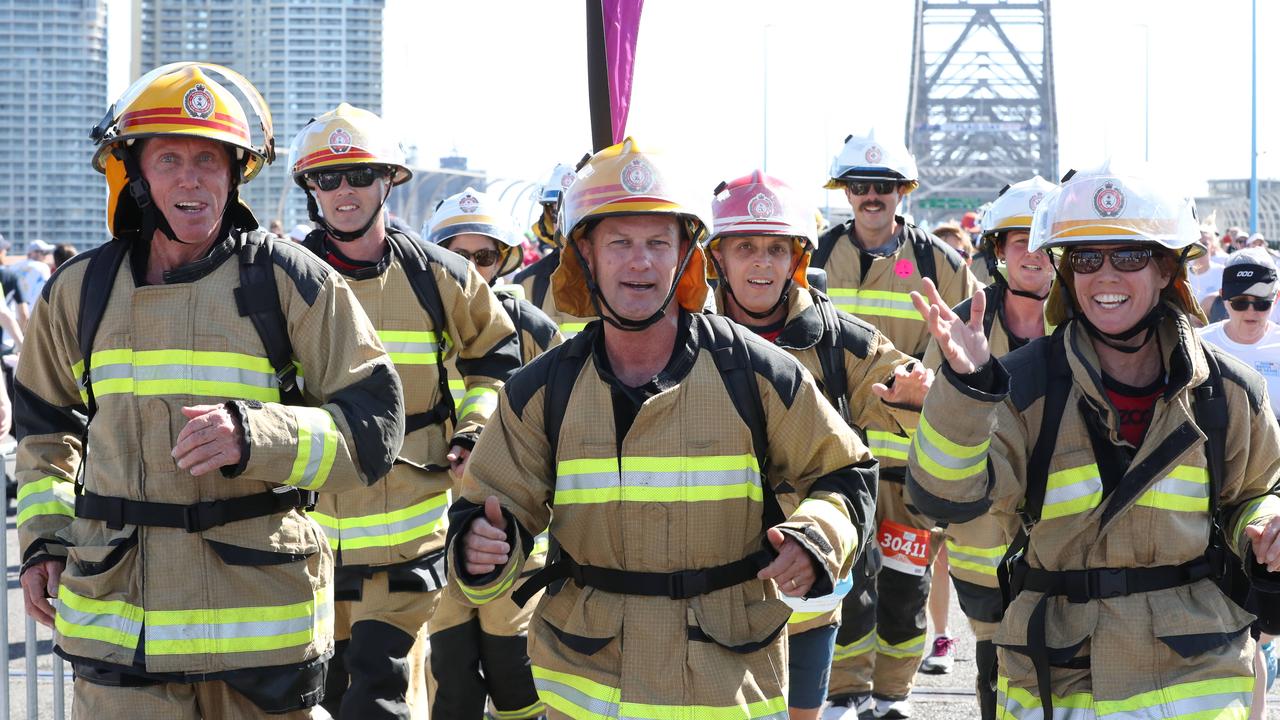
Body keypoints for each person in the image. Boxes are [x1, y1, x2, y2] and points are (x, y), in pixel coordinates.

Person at [15, 62, 404, 718]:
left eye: (209, 160)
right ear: (135, 174)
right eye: (169, 158)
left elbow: (375, 425)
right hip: (120, 632)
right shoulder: (79, 291)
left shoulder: (291, 283)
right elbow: (45, 430)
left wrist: (258, 436)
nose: (191, 178)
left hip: (261, 636)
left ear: (235, 173)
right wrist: (45, 541)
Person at [446, 138, 877, 719]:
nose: (640, 261)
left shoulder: (756, 372)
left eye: (657, 242)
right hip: (589, 691)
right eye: (619, 243)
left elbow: (846, 474)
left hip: (729, 690)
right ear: (586, 259)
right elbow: (492, 507)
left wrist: (815, 538)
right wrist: (481, 548)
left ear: (686, 257)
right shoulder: (541, 390)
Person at [909, 164, 1280, 718]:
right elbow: (943, 497)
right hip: (1055, 678)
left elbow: (1258, 488)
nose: (1104, 276)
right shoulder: (1022, 387)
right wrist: (965, 392)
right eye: (1086, 258)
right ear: (1067, 274)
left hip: (1192, 678)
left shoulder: (1228, 392)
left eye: (1128, 256)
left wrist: (1264, 522)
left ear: (1166, 271)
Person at [288, 103, 520, 720]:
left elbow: (497, 358)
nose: (344, 191)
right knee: (326, 703)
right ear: (310, 188)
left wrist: (474, 431)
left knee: (381, 701)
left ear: (389, 180)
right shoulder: (279, 279)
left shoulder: (439, 276)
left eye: (360, 175)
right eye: (327, 178)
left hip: (408, 541)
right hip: (310, 545)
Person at [706, 170, 930, 720]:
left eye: (777, 249)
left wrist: (924, 396)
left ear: (796, 259)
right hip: (711, 587)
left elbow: (904, 389)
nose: (762, 263)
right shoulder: (683, 336)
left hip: (807, 589)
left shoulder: (841, 340)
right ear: (718, 259)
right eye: (746, 248)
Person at [813, 130, 983, 719]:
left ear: (902, 191)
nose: (871, 196)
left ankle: (892, 697)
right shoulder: (812, 257)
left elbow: (962, 353)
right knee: (845, 589)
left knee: (906, 588)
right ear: (846, 191)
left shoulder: (943, 264)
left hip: (911, 466)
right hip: (835, 462)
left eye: (883, 186)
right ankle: (844, 693)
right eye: (860, 185)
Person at [918, 175, 1056, 717]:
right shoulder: (959, 326)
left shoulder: (1093, 323)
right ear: (997, 251)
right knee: (995, 663)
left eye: (1046, 242)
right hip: (983, 538)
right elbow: (938, 423)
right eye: (1019, 241)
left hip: (1065, 529)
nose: (1034, 255)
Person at [423, 187, 562, 720]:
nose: (474, 270)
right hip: (436, 528)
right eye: (459, 256)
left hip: (512, 534)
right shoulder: (422, 324)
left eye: (485, 256)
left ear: (504, 259)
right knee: (451, 681)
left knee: (515, 679)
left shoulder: (535, 331)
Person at [1198, 248, 1280, 419]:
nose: (1251, 311)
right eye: (1240, 303)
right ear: (1223, 298)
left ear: (1277, 298)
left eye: (1262, 303)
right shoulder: (1199, 344)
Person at [513, 162, 587, 337]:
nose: (565, 221)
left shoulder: (621, 276)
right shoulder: (528, 283)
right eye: (557, 213)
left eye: (577, 210)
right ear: (548, 219)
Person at [13, 239, 53, 329]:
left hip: (14, 314)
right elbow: (46, 291)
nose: (46, 256)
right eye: (44, 253)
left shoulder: (14, 266)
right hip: (33, 315)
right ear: (34, 253)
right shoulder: (43, 267)